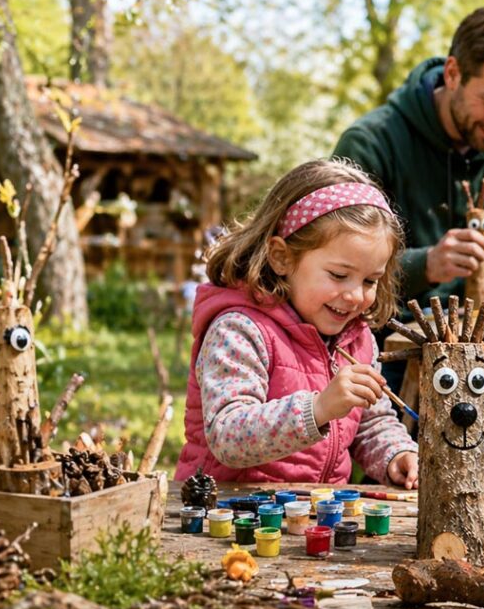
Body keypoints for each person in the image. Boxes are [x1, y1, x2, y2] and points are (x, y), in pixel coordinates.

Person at [333, 4, 484, 488]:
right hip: (382, 352)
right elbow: (335, 266)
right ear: (454, 73)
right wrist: (426, 264)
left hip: (476, 352)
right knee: (396, 474)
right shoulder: (372, 142)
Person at [175, 159, 419, 487]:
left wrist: (396, 454)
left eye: (370, 281)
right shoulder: (240, 330)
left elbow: (370, 424)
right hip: (229, 516)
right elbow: (227, 436)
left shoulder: (357, 341)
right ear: (282, 257)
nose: (354, 296)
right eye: (339, 275)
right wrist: (318, 408)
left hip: (313, 518)